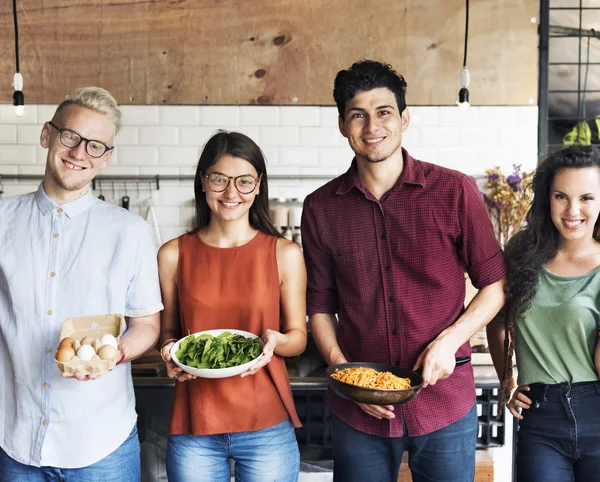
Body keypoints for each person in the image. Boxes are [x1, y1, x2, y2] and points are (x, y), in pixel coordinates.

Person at [301, 60, 506, 482]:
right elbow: (320, 306)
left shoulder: (454, 191)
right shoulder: (321, 208)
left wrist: (449, 342)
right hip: (359, 414)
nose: (372, 125)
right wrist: (346, 377)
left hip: (445, 402)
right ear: (342, 125)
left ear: (404, 119)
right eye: (358, 114)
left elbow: (495, 286)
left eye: (384, 112)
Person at [0, 87, 163, 480]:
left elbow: (147, 326)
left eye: (94, 146)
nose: (78, 153)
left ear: (106, 158)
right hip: (15, 436)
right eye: (70, 137)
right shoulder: (2, 220)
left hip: (100, 443)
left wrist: (114, 354)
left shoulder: (131, 232)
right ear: (47, 136)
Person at [158, 130, 307, 482]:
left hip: (266, 424)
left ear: (258, 186)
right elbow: (168, 332)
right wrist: (169, 352)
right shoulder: (172, 254)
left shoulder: (285, 254)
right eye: (219, 179)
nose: (231, 193)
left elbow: (298, 336)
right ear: (203, 182)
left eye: (243, 181)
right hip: (195, 423)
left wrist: (276, 342)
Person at [487, 145, 600, 481]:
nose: (572, 210)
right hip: (541, 417)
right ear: (546, 198)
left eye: (587, 198)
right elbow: (496, 322)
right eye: (561, 196)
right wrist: (506, 380)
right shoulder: (521, 252)